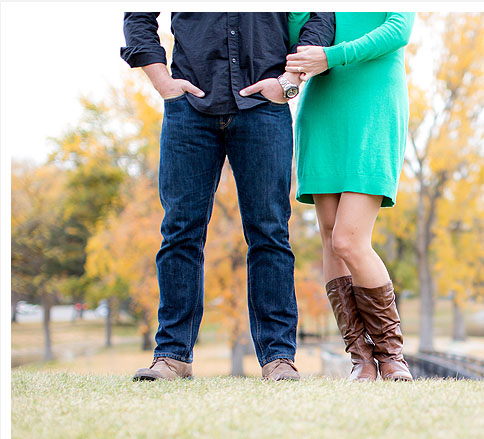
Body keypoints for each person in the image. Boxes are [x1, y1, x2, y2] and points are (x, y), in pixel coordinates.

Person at [120, 12, 335, 381]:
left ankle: (278, 357)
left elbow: (320, 16)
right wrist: (163, 82)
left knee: (269, 234)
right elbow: (137, 16)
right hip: (189, 109)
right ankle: (172, 355)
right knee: (180, 232)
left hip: (265, 108)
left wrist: (288, 81)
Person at [286, 12, 415, 381]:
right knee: (330, 237)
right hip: (323, 108)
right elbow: (298, 39)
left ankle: (391, 355)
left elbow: (397, 30)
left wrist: (331, 56)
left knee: (349, 239)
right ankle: (361, 359)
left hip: (373, 106)